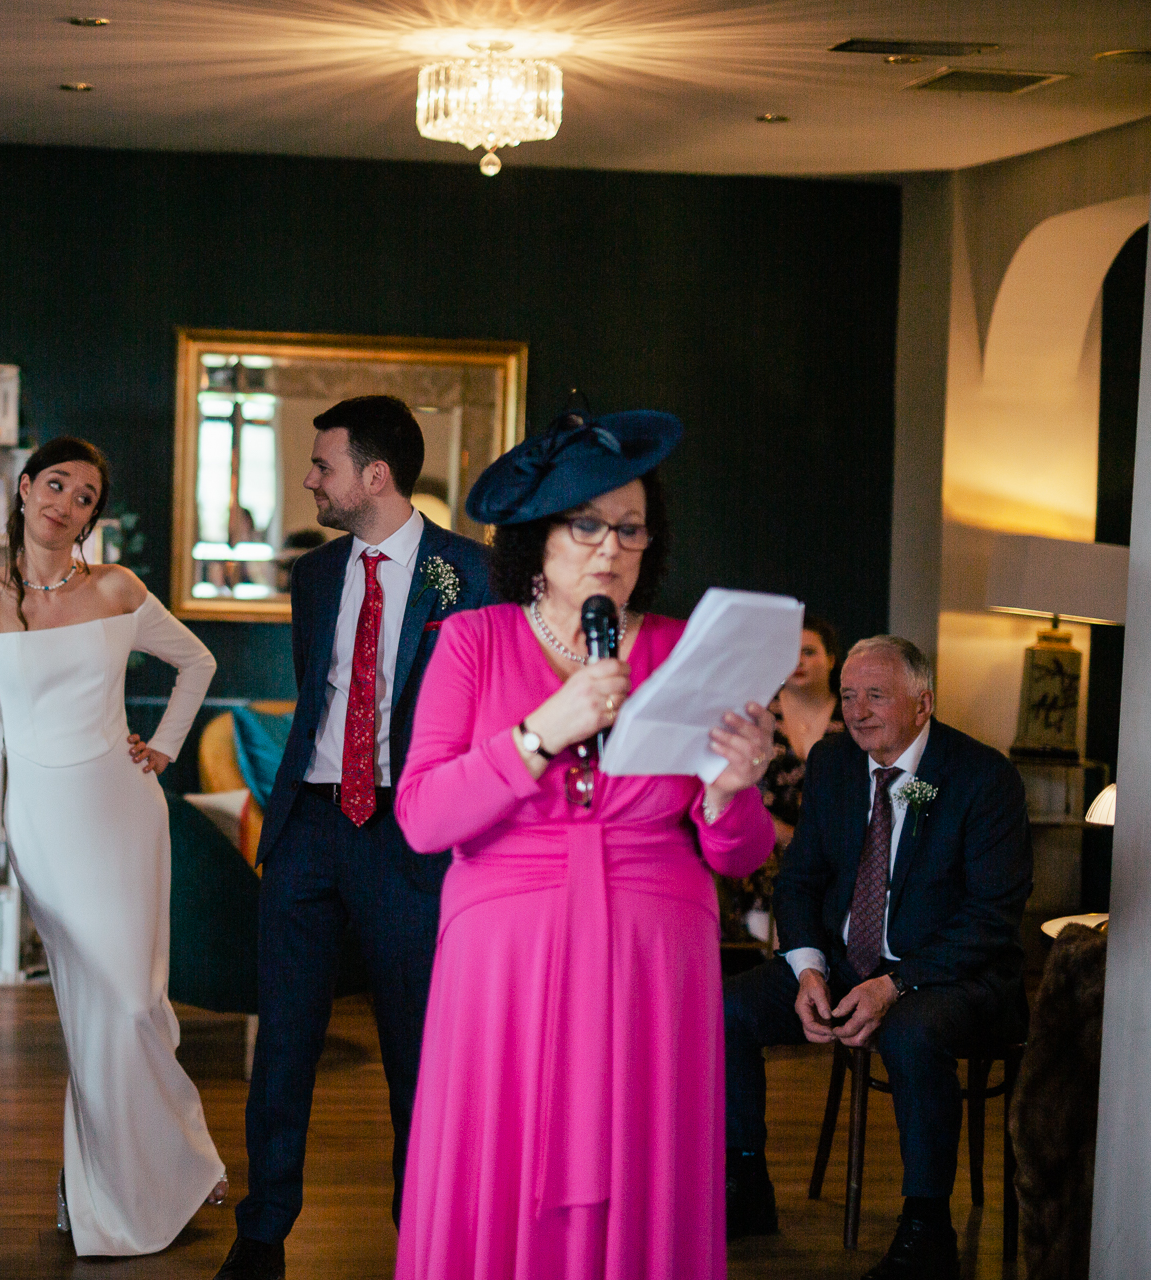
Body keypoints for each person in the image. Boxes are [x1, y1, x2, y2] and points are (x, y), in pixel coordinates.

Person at [388, 409, 777, 1280]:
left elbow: (739, 856)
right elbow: (422, 818)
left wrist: (730, 791)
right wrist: (541, 732)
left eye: (630, 529)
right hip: (506, 961)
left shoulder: (686, 652)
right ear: (538, 537)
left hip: (655, 959)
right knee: (505, 1150)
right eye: (586, 524)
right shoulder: (470, 644)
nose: (610, 547)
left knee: (646, 1154)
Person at [215, 396, 494, 1280]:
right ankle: (262, 1237)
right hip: (309, 826)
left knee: (418, 1051)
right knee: (284, 1044)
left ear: (375, 476)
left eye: (323, 465)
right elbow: (321, 695)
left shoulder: (475, 574)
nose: (309, 481)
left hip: (410, 836)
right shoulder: (317, 574)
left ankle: (424, 1236)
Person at [0, 436, 228, 1256]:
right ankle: (156, 1169)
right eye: (56, 484)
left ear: (91, 517)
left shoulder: (115, 587)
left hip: (125, 811)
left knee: (137, 1002)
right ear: (27, 486)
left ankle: (132, 1182)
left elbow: (197, 661)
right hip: (44, 821)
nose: (65, 503)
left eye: (85, 497)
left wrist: (168, 747)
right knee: (97, 1004)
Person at [724, 636, 1032, 1280]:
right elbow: (801, 880)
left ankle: (927, 1232)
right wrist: (807, 967)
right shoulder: (836, 763)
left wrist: (896, 983)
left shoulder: (982, 777)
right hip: (841, 963)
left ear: (924, 703)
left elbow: (992, 918)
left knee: (913, 1034)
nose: (858, 711)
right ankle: (745, 1184)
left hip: (951, 973)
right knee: (729, 1008)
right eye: (849, 696)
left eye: (876, 696)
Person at [721, 616, 846, 945]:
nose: (798, 662)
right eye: (789, 653)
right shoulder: (757, 716)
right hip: (768, 844)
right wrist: (784, 835)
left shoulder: (853, 716)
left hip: (836, 847)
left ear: (832, 660)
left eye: (809, 652)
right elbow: (737, 787)